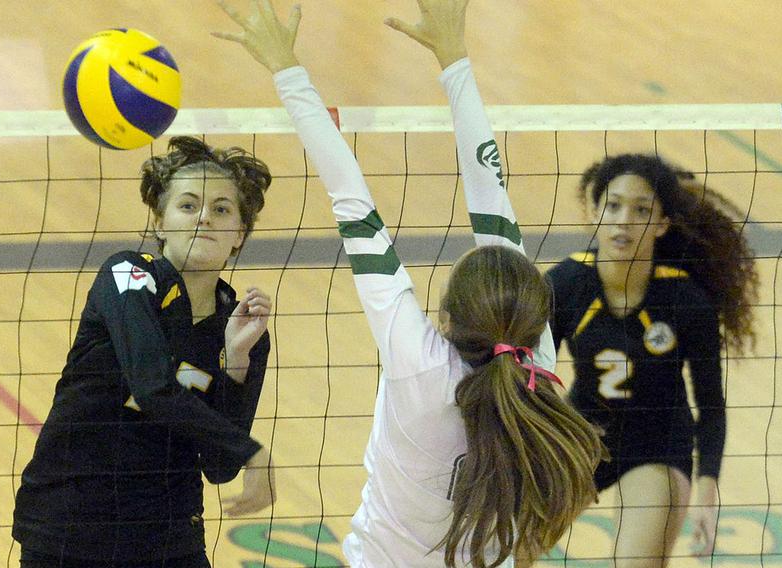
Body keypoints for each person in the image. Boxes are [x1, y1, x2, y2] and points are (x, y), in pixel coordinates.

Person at [214, 1, 605, 566]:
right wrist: (454, 58)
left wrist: (287, 65)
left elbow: (354, 199)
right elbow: (482, 209)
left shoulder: (426, 365)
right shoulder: (534, 367)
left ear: (446, 317)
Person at [12, 136, 277, 568]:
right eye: (188, 206)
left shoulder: (243, 326)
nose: (204, 218)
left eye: (222, 209)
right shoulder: (129, 276)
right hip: (71, 524)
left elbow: (217, 467)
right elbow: (153, 386)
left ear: (239, 236)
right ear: (160, 222)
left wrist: (237, 361)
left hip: (167, 535)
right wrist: (253, 451)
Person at [547, 154, 758, 566]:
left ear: (661, 224)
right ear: (592, 214)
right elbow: (530, 378)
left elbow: (711, 406)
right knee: (511, 547)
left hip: (657, 446)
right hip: (584, 437)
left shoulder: (684, 300)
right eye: (613, 205)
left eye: (641, 209)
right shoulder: (565, 285)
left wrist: (706, 492)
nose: (624, 220)